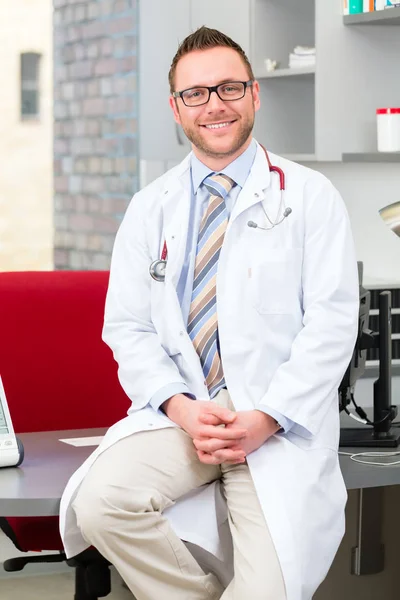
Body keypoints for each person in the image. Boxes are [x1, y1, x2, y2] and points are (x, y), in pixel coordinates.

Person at [60, 27, 360, 600]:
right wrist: (179, 406)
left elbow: (332, 325)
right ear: (176, 108)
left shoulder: (310, 196)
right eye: (196, 93)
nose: (214, 105)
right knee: (101, 505)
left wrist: (266, 418)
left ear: (254, 94)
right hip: (186, 413)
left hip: (274, 420)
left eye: (229, 88)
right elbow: (128, 326)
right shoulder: (150, 207)